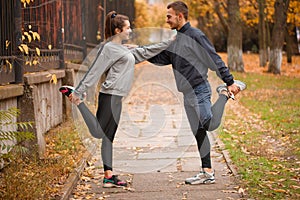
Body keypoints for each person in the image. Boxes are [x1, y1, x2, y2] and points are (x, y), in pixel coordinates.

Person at [60, 11, 172, 188]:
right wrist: (80, 92)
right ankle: (77, 101)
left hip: (117, 97)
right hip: (110, 95)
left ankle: (108, 176)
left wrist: (170, 42)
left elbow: (145, 52)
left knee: (109, 137)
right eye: (128, 28)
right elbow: (95, 70)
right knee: (99, 133)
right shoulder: (109, 48)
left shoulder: (122, 48)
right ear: (118, 30)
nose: (130, 30)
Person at [148, 1, 246, 184]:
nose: (166, 20)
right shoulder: (177, 39)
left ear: (180, 16)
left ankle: (224, 94)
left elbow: (213, 59)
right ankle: (207, 173)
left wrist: (229, 81)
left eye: (169, 16)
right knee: (199, 132)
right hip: (186, 93)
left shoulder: (195, 36)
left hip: (199, 88)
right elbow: (163, 58)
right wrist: (139, 53)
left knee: (209, 124)